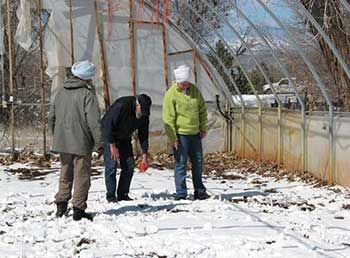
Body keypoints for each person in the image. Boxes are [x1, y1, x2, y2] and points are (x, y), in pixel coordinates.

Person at [49, 61, 102, 221]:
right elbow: (94, 122)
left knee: (65, 173)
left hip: (62, 142)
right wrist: (99, 143)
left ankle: (61, 205)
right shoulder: (87, 95)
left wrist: (57, 135)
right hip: (81, 142)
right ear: (87, 78)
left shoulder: (60, 92)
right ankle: (78, 209)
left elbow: (52, 117)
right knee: (82, 175)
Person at [162, 64, 210, 200]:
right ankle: (181, 192)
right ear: (178, 82)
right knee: (181, 163)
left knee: (198, 162)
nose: (185, 86)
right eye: (183, 84)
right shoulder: (170, 95)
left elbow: (202, 110)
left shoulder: (194, 91)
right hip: (180, 134)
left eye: (187, 83)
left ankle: (199, 190)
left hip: (195, 134)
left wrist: (203, 128)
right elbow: (168, 118)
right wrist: (172, 138)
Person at [102, 94, 152, 203]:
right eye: (141, 111)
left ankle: (123, 194)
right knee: (111, 166)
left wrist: (144, 155)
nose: (142, 114)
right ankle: (111, 196)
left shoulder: (144, 115)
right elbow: (107, 125)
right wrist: (112, 146)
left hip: (124, 138)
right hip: (110, 137)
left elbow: (143, 134)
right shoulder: (121, 105)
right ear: (137, 105)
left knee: (129, 166)